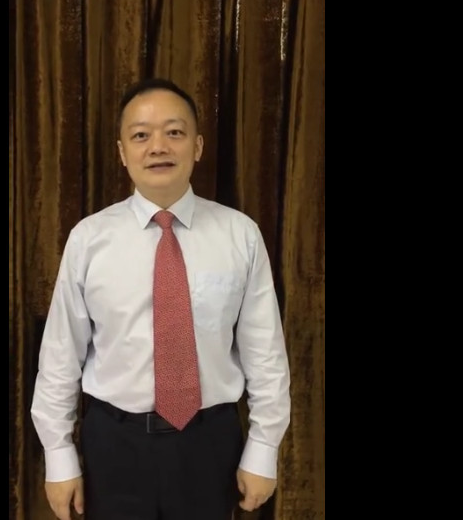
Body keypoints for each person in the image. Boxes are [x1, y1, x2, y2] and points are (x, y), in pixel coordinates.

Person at [31, 78, 291, 520]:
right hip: (114, 446)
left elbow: (264, 352)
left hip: (209, 445)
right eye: (140, 135)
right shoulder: (89, 239)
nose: (158, 147)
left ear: (198, 146)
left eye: (174, 132)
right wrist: (58, 455)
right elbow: (61, 355)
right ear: (122, 152)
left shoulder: (240, 235)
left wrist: (264, 448)